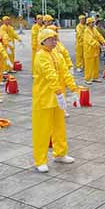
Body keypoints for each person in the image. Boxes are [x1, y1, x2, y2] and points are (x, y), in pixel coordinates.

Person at [32, 28, 78, 173]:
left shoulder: (57, 54)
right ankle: (40, 160)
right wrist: (58, 92)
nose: (54, 41)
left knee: (59, 128)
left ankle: (60, 153)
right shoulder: (40, 56)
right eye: (51, 39)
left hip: (58, 98)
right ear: (43, 41)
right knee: (42, 131)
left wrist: (73, 89)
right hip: (44, 98)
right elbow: (49, 74)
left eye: (55, 38)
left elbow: (64, 72)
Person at [83, 17, 105, 84]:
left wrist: (104, 42)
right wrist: (99, 45)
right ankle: (87, 79)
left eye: (93, 22)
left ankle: (95, 77)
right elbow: (91, 41)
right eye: (92, 22)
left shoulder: (94, 29)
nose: (93, 24)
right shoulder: (86, 31)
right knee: (89, 66)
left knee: (96, 65)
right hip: (89, 51)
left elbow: (99, 36)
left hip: (95, 51)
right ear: (88, 23)